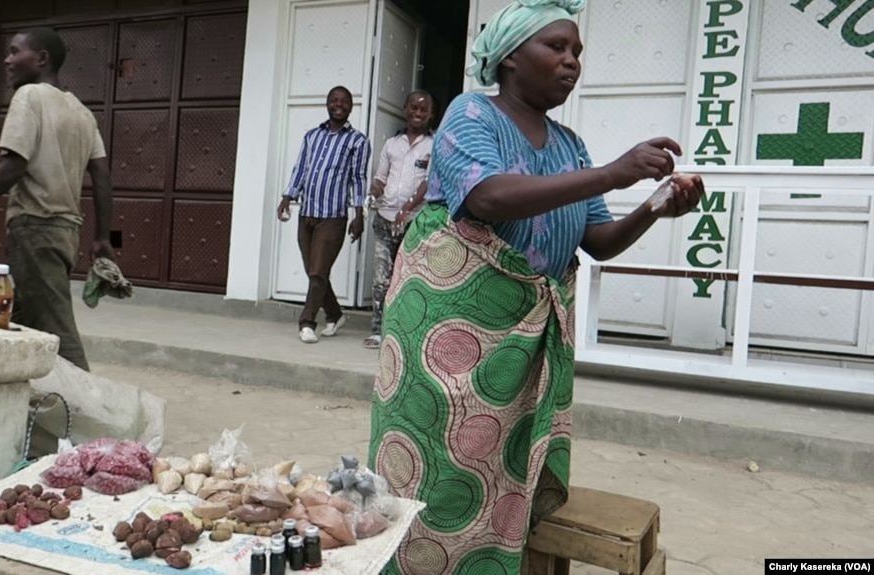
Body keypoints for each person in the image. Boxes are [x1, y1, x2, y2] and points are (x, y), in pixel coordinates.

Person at [367, 1, 704, 574]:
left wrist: (655, 206)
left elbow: (597, 239)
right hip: (448, 340)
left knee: (509, 466)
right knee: (444, 466)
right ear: (510, 58)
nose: (572, 62)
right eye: (557, 48)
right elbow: (488, 197)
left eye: (577, 53)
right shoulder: (471, 114)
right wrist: (615, 173)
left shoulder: (570, 145)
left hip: (522, 345)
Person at [0, 27, 113, 371]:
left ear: (42, 59)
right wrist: (102, 237)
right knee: (19, 317)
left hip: (37, 227)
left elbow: (14, 166)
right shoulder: (82, 113)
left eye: (16, 52)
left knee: (57, 329)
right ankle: (17, 400)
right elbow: (102, 178)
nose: (7, 60)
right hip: (64, 233)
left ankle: (87, 413)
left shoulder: (29, 96)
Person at [278, 86, 372, 344]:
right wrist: (287, 197)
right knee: (313, 271)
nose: (338, 105)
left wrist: (359, 214)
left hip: (333, 217)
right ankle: (335, 313)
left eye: (344, 101)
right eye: (334, 100)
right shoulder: (312, 136)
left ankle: (307, 322)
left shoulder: (358, 141)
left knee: (318, 272)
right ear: (327, 104)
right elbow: (300, 169)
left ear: (351, 107)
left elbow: (358, 178)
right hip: (307, 213)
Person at [363, 90, 435, 350]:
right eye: (413, 108)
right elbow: (381, 177)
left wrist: (409, 207)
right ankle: (378, 330)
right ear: (405, 109)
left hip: (415, 222)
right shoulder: (392, 144)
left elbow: (429, 182)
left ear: (430, 114)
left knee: (408, 278)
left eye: (423, 109)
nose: (417, 113)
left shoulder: (433, 146)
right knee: (381, 279)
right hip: (384, 219)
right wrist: (373, 191)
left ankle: (404, 330)